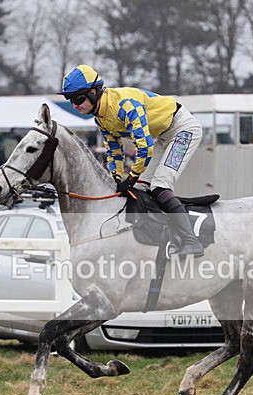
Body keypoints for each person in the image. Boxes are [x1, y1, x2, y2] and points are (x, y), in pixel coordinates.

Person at [59, 64, 204, 256]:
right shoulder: (100, 118)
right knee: (140, 188)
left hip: (183, 129)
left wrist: (131, 176)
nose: (75, 105)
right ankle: (159, 235)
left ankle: (191, 241)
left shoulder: (125, 105)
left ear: (93, 92)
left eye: (78, 99)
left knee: (160, 186)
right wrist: (115, 178)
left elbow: (144, 147)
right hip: (163, 136)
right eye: (70, 100)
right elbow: (114, 151)